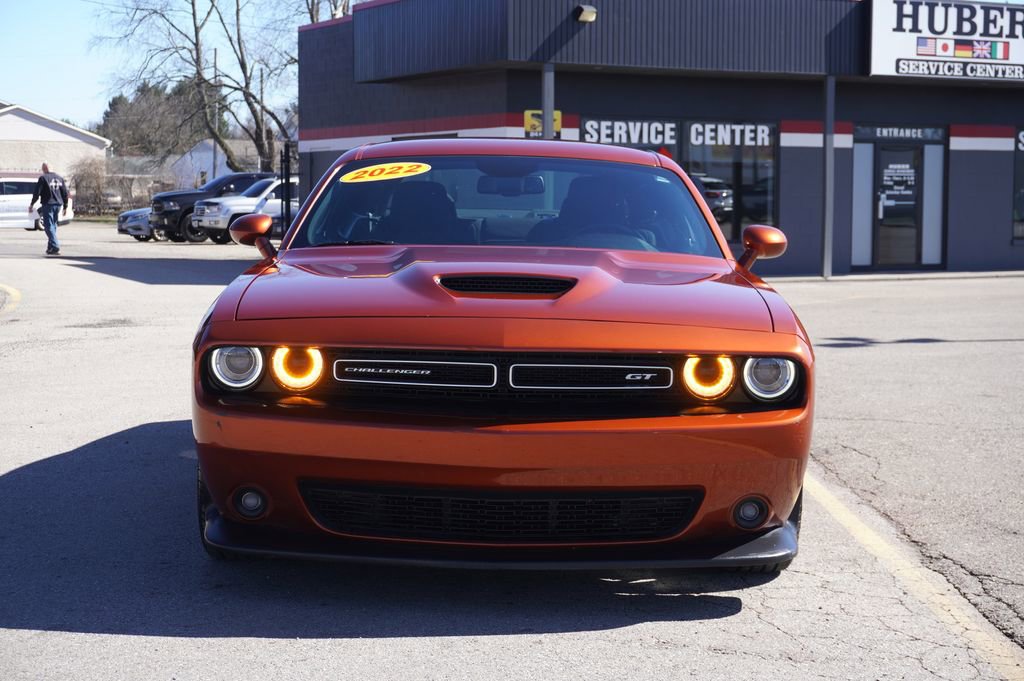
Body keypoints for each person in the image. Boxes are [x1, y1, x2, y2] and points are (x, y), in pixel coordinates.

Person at [28, 163, 69, 256]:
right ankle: (50, 247)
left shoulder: (43, 178)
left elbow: (36, 193)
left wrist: (32, 204)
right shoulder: (60, 178)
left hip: (48, 204)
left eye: (42, 168)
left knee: (48, 226)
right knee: (53, 225)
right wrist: (65, 206)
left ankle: (55, 246)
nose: (42, 170)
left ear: (44, 168)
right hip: (58, 204)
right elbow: (65, 193)